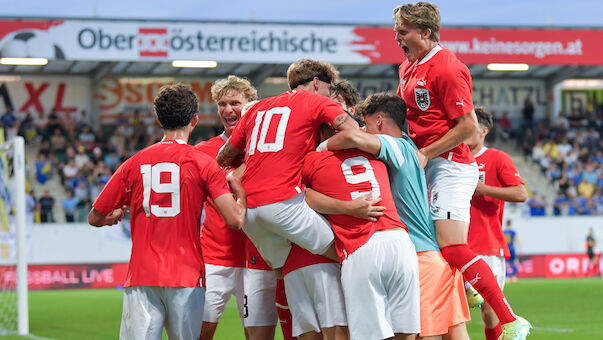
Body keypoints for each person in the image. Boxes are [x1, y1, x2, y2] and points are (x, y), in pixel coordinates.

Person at [393, 3, 530, 339]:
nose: (398, 37)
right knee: (429, 247)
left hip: (451, 165)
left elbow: (468, 127)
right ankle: (459, 303)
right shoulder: (407, 66)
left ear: (426, 32)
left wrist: (424, 153)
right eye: (397, 30)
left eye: (404, 30)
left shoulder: (448, 67)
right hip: (427, 165)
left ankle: (510, 319)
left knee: (452, 247)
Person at [88, 83, 247, 340]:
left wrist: (112, 217)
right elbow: (235, 220)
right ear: (195, 120)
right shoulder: (204, 163)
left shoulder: (133, 162)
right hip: (186, 275)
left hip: (142, 275)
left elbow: (94, 217)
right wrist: (240, 193)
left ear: (158, 119)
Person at [319, 93, 469, 339]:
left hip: (420, 257)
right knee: (455, 335)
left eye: (366, 124)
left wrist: (322, 147)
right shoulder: (409, 145)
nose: (363, 130)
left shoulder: (396, 146)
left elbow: (350, 136)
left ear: (379, 121)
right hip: (432, 256)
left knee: (424, 335)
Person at [216, 59, 358, 272]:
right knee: (347, 255)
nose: (330, 95)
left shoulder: (258, 107)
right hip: (283, 202)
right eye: (329, 89)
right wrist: (322, 147)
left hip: (249, 210)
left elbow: (223, 156)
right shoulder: (315, 100)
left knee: (284, 272)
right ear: (317, 82)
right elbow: (354, 130)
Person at [195, 75, 257, 340]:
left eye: (235, 102)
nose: (228, 109)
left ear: (250, 105)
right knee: (198, 334)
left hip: (256, 258)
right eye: (222, 104)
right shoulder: (203, 150)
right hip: (214, 257)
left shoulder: (265, 148)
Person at [466, 107, 528, 340]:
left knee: (489, 312)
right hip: (451, 244)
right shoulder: (451, 158)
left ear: (483, 130)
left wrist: (483, 190)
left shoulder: (497, 158)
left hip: (487, 245)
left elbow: (521, 193)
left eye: (469, 124)